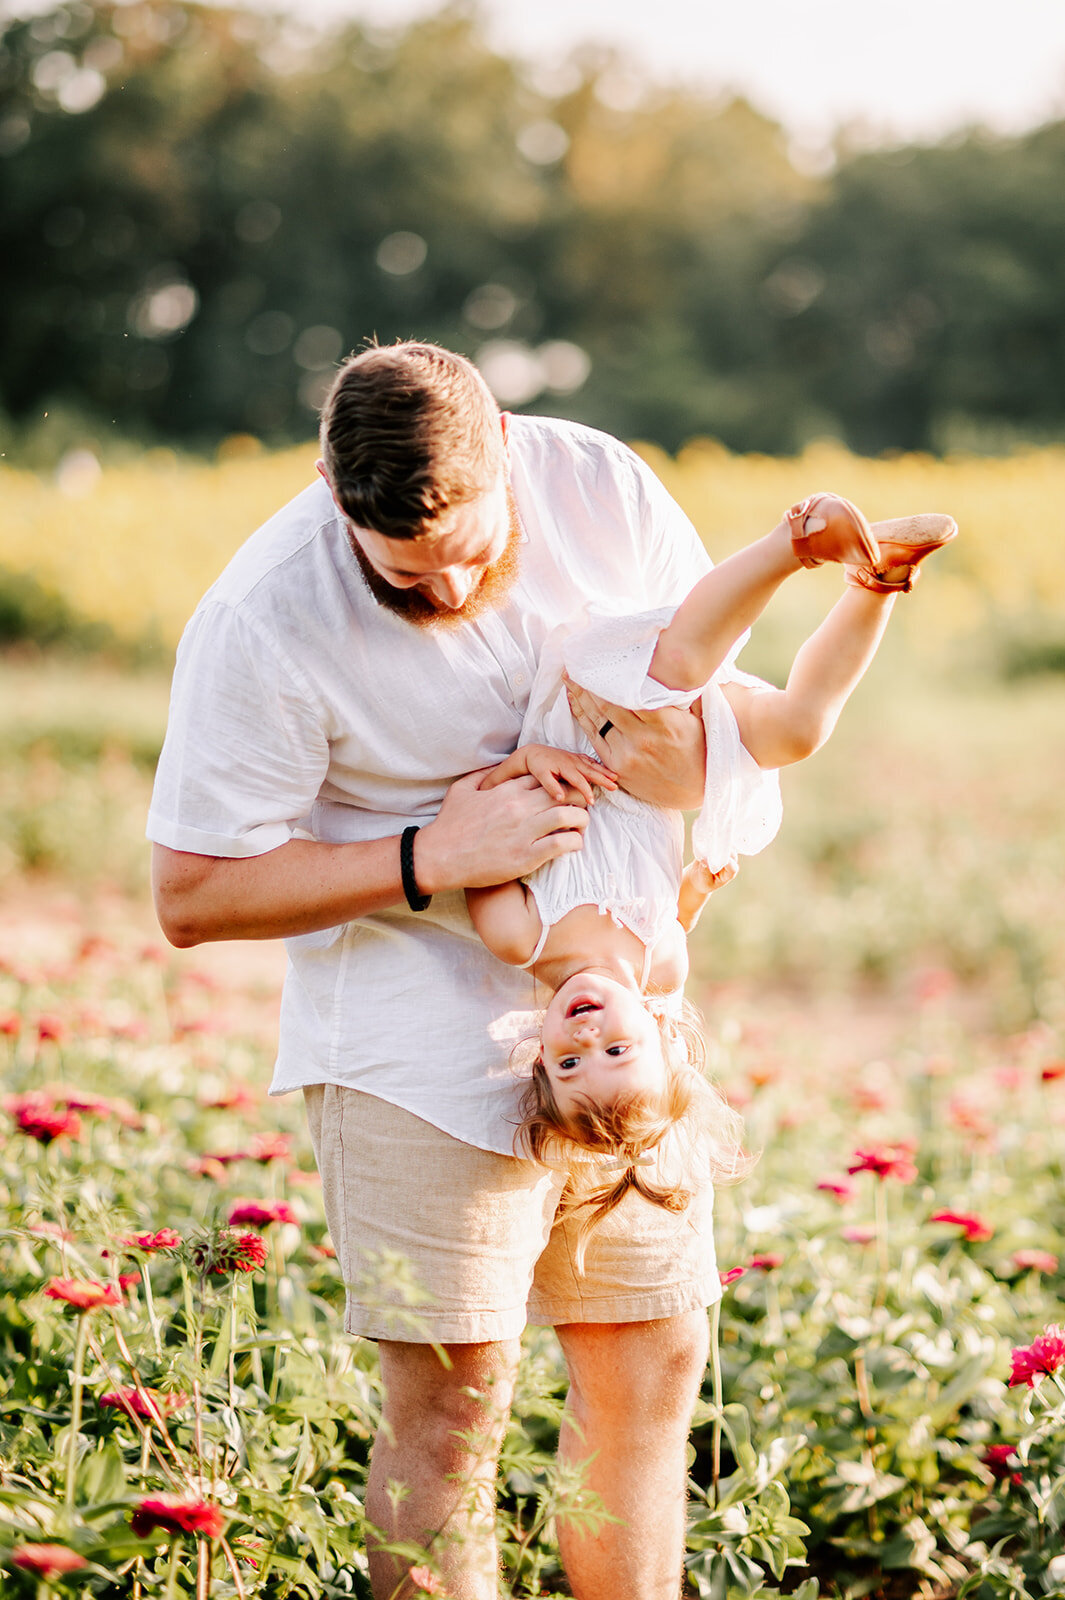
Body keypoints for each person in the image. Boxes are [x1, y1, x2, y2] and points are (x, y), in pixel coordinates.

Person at [147, 340, 950, 1600]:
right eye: (406, 572)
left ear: (508, 446)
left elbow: (714, 708)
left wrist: (681, 789)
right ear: (327, 485)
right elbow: (189, 893)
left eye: (472, 546)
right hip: (412, 1038)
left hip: (621, 1027)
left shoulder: (601, 484)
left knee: (653, 1360)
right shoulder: (264, 614)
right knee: (455, 1406)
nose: (453, 585)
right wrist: (435, 851)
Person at [465, 493, 957, 1254]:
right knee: (795, 731)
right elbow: (677, 916)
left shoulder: (518, 937)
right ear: (661, 1036)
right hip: (668, 754)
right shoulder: (659, 964)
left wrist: (527, 763)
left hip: (579, 717)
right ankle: (876, 580)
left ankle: (790, 540)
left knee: (675, 670)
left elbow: (470, 832)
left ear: (538, 1056)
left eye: (568, 1061)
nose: (588, 1033)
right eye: (615, 1051)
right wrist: (697, 881)